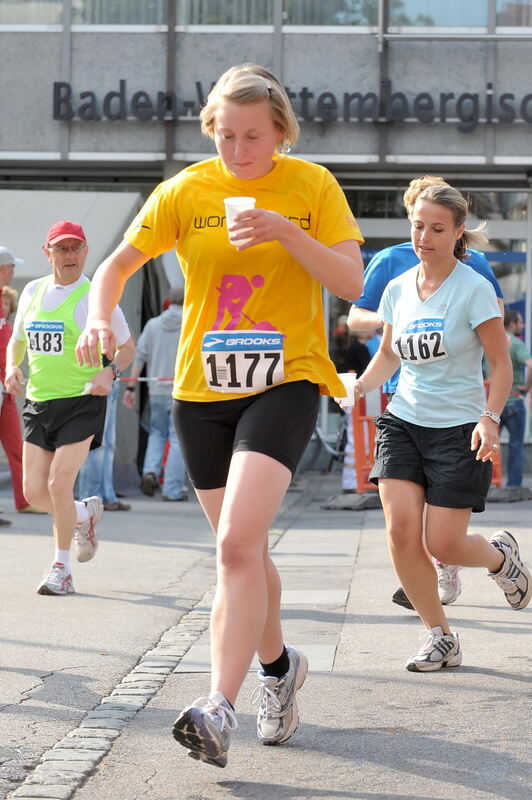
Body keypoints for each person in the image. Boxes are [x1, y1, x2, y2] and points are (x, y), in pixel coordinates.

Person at [76, 62, 363, 767]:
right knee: (248, 552)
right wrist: (97, 319)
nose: (237, 152)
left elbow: (353, 282)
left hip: (286, 378)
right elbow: (114, 269)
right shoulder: (185, 190)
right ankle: (278, 669)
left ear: (280, 132)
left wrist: (285, 232)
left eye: (253, 137)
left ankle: (217, 705)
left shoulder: (311, 186)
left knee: (235, 544)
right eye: (225, 136)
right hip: (202, 391)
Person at [349, 183, 530, 673]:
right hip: (404, 420)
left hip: (459, 428)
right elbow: (388, 354)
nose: (424, 237)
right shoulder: (397, 287)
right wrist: (357, 388)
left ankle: (498, 559)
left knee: (443, 544)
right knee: (401, 530)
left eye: (436, 228)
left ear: (457, 233)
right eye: (417, 226)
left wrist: (490, 420)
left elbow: (500, 363)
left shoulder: (473, 288)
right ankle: (440, 636)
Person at [5, 220, 132, 595]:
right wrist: (13, 366)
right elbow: (17, 340)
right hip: (39, 401)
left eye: (76, 248)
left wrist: (109, 373)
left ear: (86, 252)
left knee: (60, 483)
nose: (70, 255)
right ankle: (82, 513)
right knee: (34, 493)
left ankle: (61, 569)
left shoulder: (97, 298)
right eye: (61, 248)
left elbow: (127, 349)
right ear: (48, 254)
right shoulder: (30, 291)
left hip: (81, 401)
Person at [123, 286, 188, 502]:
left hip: (155, 391)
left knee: (156, 433)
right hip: (181, 390)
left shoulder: (152, 325)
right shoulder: (190, 323)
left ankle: (150, 471)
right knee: (177, 438)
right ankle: (172, 490)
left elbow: (139, 357)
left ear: (169, 300)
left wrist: (131, 388)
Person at [0, 247, 43, 523]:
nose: (14, 271)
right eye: (12, 267)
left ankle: (24, 499)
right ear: (4, 269)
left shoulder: (3, 301)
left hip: (4, 390)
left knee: (18, 445)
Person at [77, 345, 135, 511]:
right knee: (96, 443)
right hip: (96, 377)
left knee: (108, 443)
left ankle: (105, 495)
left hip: (110, 378)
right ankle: (89, 497)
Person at [500, 309, 532, 487]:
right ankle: (513, 487)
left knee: (488, 447)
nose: (523, 325)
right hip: (514, 400)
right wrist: (527, 387)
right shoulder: (516, 343)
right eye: (520, 322)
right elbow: (530, 365)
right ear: (511, 324)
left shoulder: (494, 339)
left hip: (493, 402)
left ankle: (486, 485)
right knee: (515, 446)